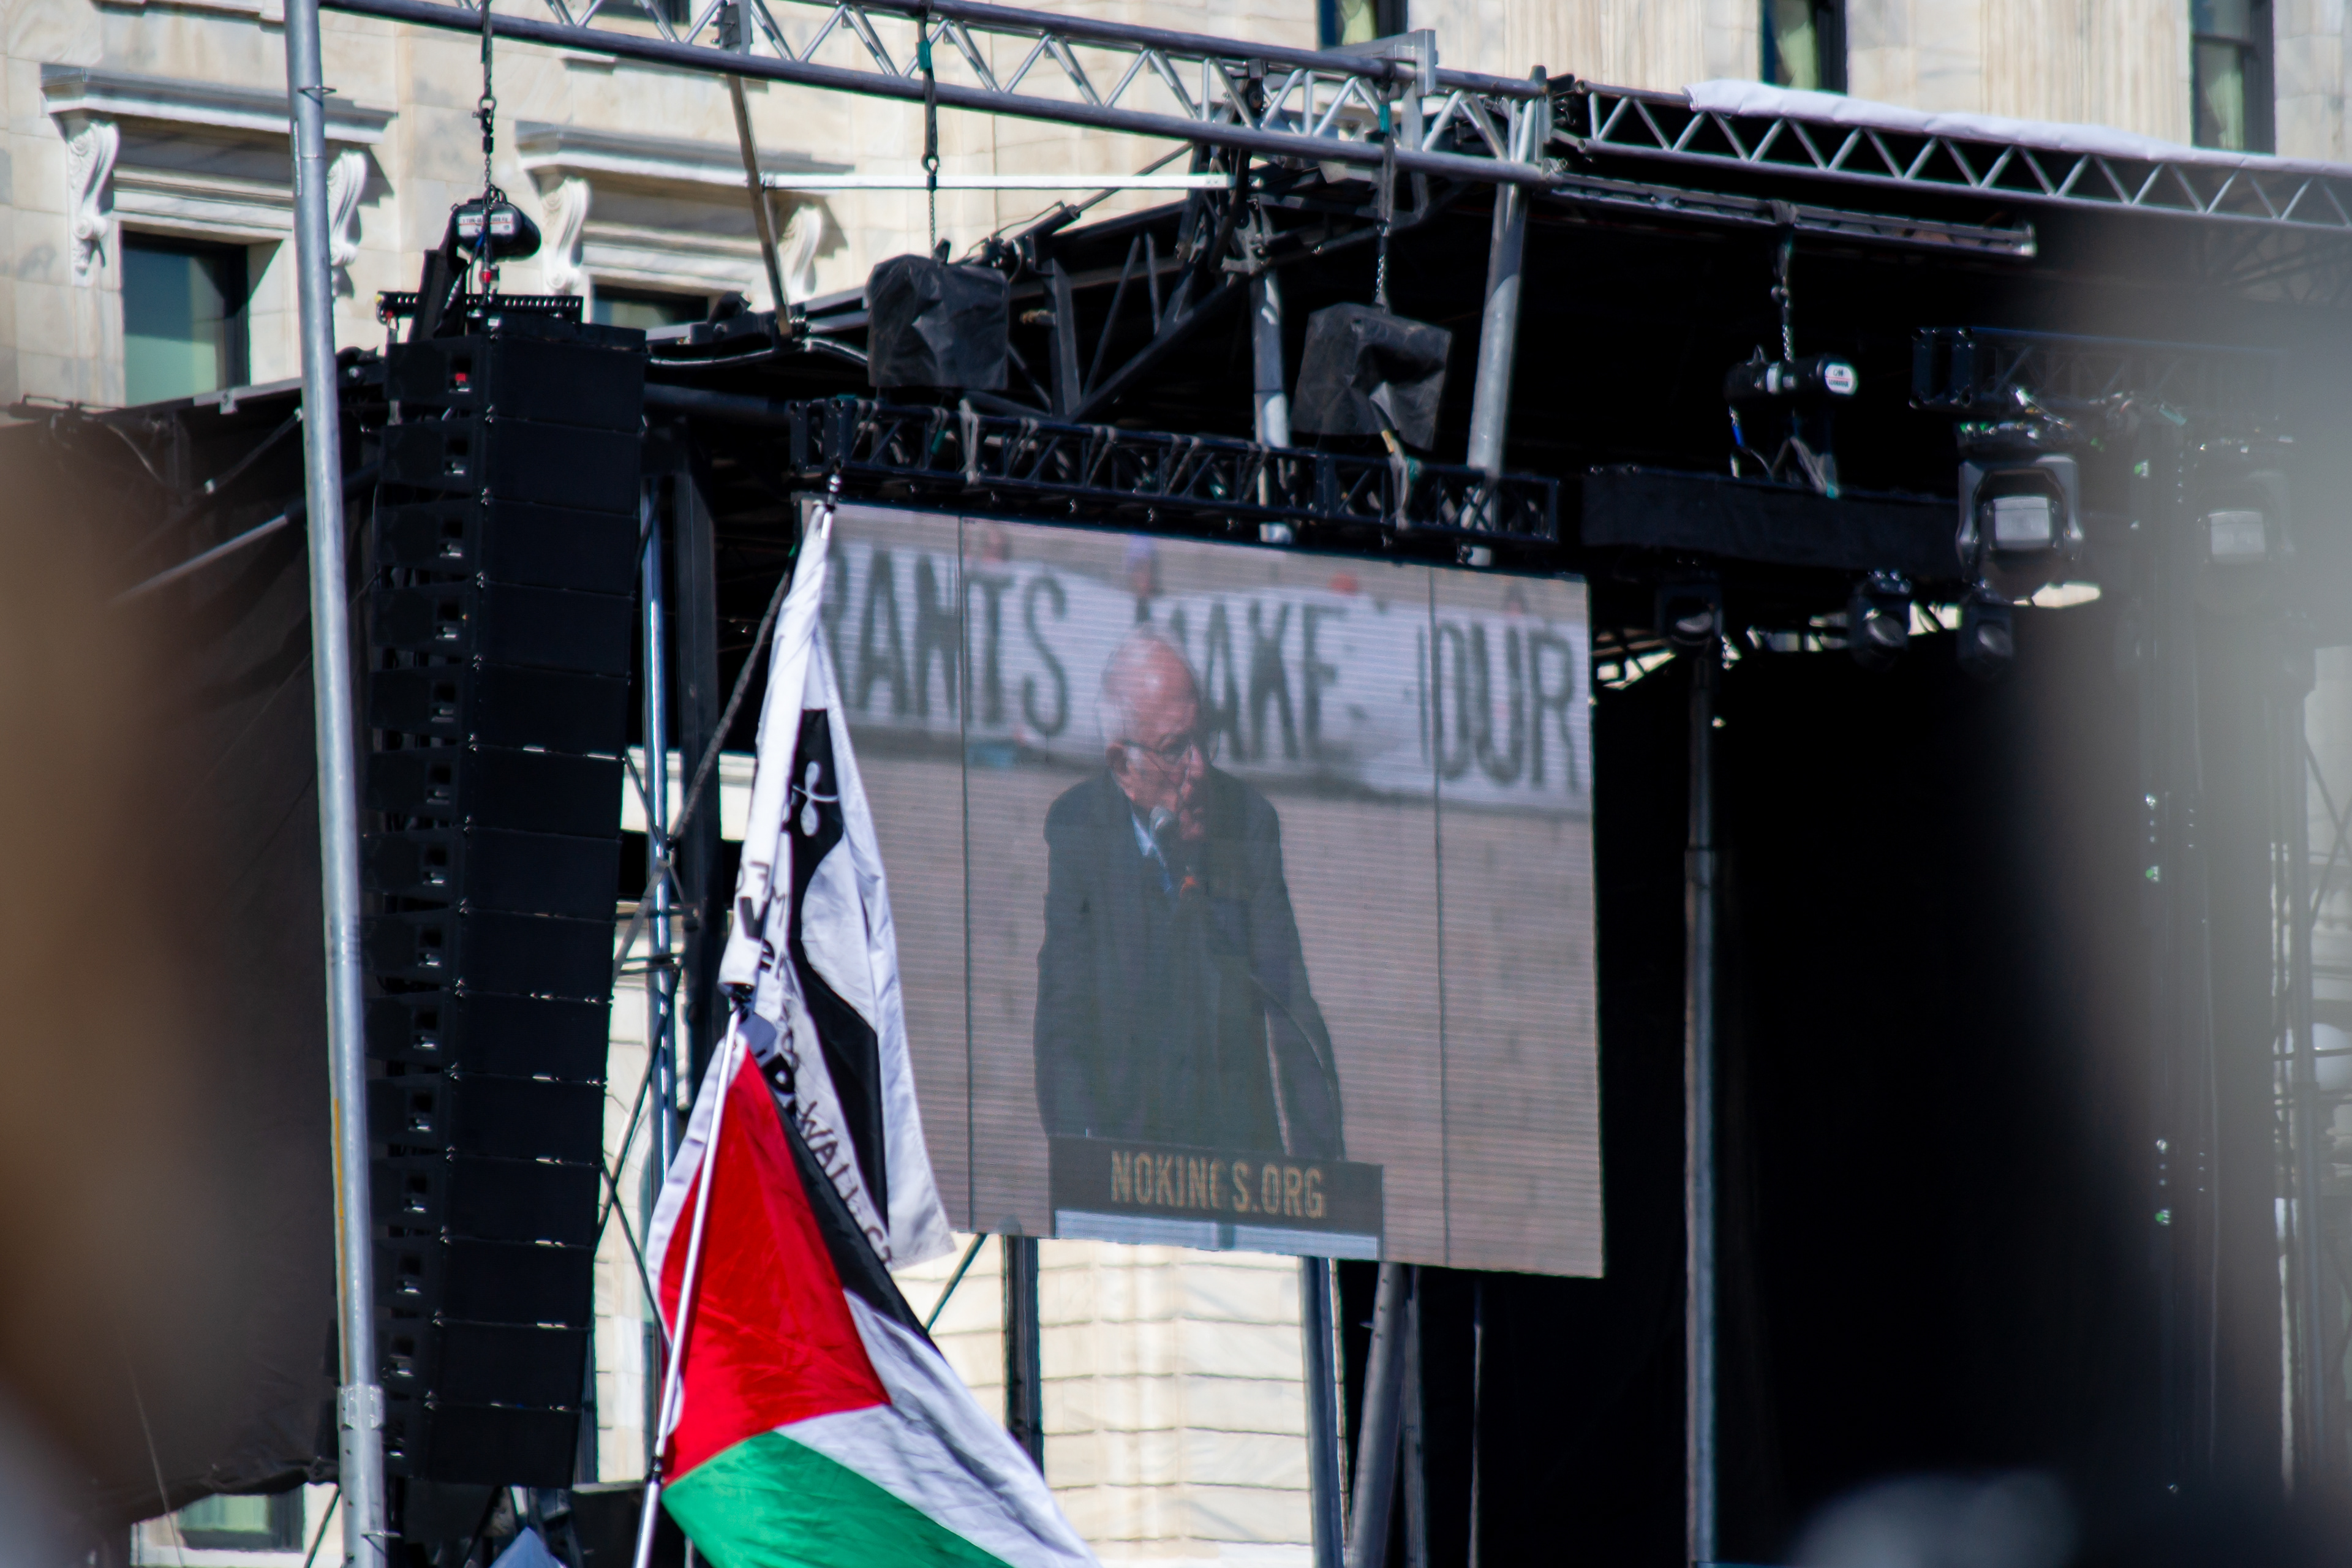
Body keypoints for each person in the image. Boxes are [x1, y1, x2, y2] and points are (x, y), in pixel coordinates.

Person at [1034, 628, 1345, 1158]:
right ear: (1123, 768)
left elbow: (1294, 1010)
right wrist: (1081, 1162)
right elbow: (1063, 1019)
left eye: (1205, 740)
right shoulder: (1078, 829)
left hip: (1238, 1160)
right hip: (1124, 1155)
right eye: (1176, 750)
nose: (1199, 769)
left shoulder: (1248, 824)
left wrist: (1322, 1170)